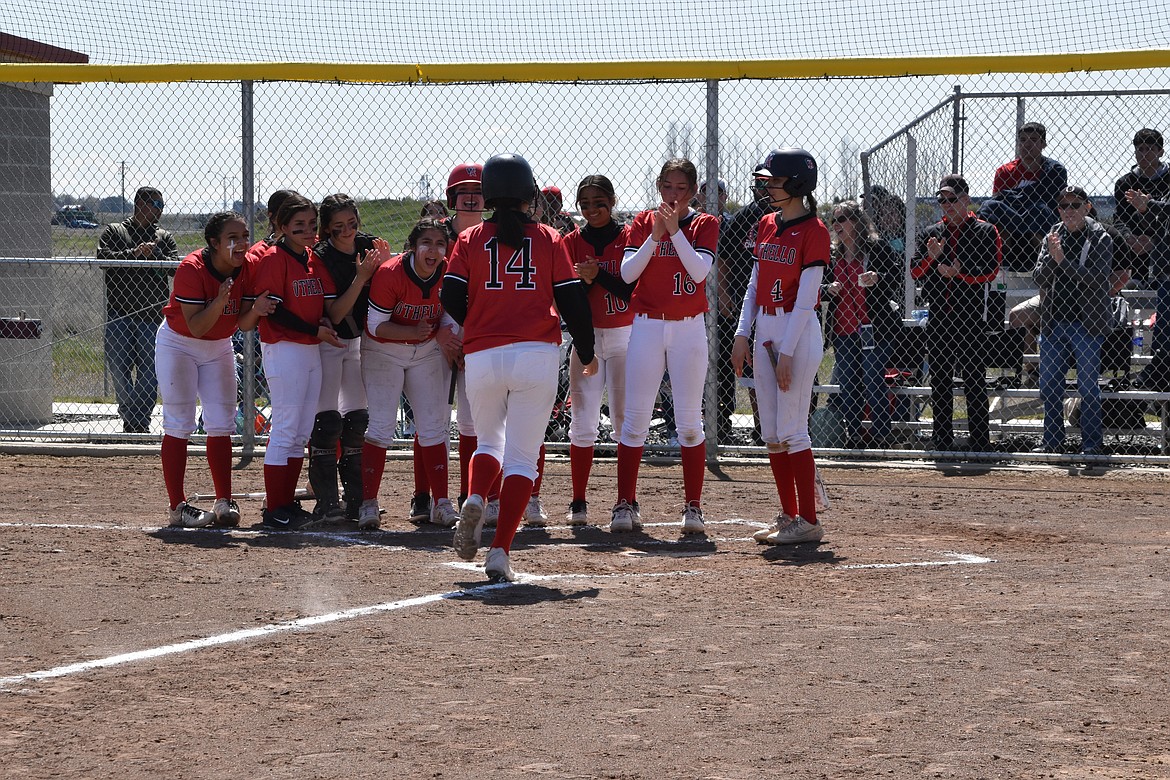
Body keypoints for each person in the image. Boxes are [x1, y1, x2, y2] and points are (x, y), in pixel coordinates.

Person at [442, 153, 596, 582]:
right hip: (536, 353)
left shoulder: (471, 237)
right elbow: (572, 302)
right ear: (529, 193)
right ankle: (499, 553)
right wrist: (587, 348)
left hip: (483, 353)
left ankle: (475, 496)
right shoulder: (548, 237)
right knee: (523, 460)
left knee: (488, 443)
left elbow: (450, 297)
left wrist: (479, 322)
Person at [611, 158, 719, 535]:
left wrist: (674, 232)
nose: (673, 195)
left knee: (689, 423)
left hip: (688, 329)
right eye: (668, 187)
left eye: (681, 189)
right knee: (636, 420)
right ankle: (625, 502)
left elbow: (699, 271)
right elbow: (627, 274)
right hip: (647, 326)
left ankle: (693, 506)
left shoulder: (704, 223)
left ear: (692, 192)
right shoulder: (643, 222)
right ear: (659, 186)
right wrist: (656, 235)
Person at [730, 148, 829, 545]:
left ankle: (808, 519)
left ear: (797, 184)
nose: (768, 185)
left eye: (775, 179)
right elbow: (754, 285)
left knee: (792, 429)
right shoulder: (767, 224)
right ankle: (790, 516)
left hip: (797, 330)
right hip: (767, 326)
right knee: (770, 431)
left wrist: (786, 352)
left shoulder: (815, 230)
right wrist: (741, 334)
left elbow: (806, 299)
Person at [156, 211, 274, 527]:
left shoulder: (246, 266)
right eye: (233, 239)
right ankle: (177, 507)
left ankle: (224, 501)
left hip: (219, 345)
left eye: (245, 236)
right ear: (214, 243)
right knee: (179, 423)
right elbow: (195, 326)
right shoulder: (192, 268)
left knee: (221, 422)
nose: (242, 244)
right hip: (179, 343)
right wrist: (220, 301)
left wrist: (257, 310)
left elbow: (244, 324)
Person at [247, 194, 343, 530]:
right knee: (286, 427)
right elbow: (277, 311)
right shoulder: (275, 258)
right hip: (284, 346)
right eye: (298, 225)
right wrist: (315, 328)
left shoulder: (311, 258)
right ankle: (275, 509)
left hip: (309, 347)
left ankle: (286, 503)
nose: (307, 230)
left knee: (301, 430)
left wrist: (322, 325)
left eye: (312, 224)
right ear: (282, 227)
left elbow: (315, 305)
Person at [359, 218, 459, 529]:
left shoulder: (448, 273)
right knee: (381, 426)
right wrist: (413, 331)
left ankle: (441, 503)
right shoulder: (391, 273)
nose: (433, 249)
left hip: (424, 350)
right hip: (383, 350)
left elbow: (450, 316)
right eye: (426, 243)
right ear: (412, 247)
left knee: (434, 426)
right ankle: (368, 503)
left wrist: (440, 334)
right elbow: (375, 326)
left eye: (440, 243)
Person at [308, 194, 386, 522]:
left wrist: (384, 263)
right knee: (327, 423)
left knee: (357, 422)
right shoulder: (322, 256)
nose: (347, 231)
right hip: (329, 341)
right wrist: (362, 277)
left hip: (358, 342)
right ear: (326, 229)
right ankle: (327, 502)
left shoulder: (368, 246)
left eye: (352, 224)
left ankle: (356, 500)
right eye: (338, 227)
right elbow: (336, 312)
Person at [911, 174, 1002, 455]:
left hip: (971, 317)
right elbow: (915, 271)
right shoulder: (931, 232)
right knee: (940, 381)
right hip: (939, 317)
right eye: (941, 200)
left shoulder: (985, 231)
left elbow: (991, 271)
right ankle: (942, 440)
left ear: (965, 199)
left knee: (975, 380)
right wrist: (932, 257)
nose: (946, 204)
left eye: (952, 199)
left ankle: (980, 442)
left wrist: (958, 273)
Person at [564, 175, 635, 525]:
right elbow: (566, 298)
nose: (592, 209)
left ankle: (626, 501)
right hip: (587, 339)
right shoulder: (570, 242)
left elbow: (632, 292)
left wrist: (598, 277)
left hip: (625, 336)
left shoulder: (629, 238)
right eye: (586, 203)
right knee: (583, 422)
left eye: (599, 202)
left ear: (613, 200)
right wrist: (583, 280)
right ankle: (578, 502)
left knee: (625, 422)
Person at [1032, 187, 1114, 457]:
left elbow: (1097, 280)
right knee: (1049, 386)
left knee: (1088, 387)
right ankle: (1053, 441)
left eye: (1075, 205)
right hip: (1054, 322)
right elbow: (1039, 278)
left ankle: (1091, 443)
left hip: (1086, 324)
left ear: (1087, 207)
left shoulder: (1100, 236)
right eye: (1064, 206)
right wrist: (1055, 261)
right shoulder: (1052, 236)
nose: (1069, 211)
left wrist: (1062, 261)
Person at [822, 200, 904, 448]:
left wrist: (878, 277)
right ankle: (854, 433)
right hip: (843, 330)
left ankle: (881, 435)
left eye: (843, 218)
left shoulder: (876, 249)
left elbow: (897, 276)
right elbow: (818, 286)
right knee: (848, 383)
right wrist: (828, 288)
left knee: (872, 380)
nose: (837, 224)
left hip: (875, 329)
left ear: (857, 222)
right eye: (834, 220)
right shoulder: (832, 255)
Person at [97, 186, 178, 433]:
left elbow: (175, 267)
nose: (160, 211)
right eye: (157, 205)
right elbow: (104, 260)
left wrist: (155, 255)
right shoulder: (115, 231)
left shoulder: (163, 237)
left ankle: (138, 422)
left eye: (162, 206)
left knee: (150, 370)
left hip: (152, 317)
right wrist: (134, 253)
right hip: (119, 313)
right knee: (118, 368)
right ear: (140, 204)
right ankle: (130, 414)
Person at [717, 170, 772, 444]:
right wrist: (726, 298)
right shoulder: (742, 219)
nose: (762, 190)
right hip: (742, 304)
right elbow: (723, 260)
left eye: (768, 184)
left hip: (778, 305)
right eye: (759, 184)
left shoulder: (787, 217)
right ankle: (762, 427)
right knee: (751, 369)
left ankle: (787, 426)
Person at [1116, 128, 1170, 379]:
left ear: (1160, 151)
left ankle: (1156, 366)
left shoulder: (1168, 178)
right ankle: (1122, 364)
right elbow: (1119, 219)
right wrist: (1129, 238)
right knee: (1128, 304)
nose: (1144, 153)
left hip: (1163, 254)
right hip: (1133, 256)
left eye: (1150, 148)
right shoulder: (1125, 183)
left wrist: (1152, 237)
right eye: (1140, 148)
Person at [978, 122, 1067, 271]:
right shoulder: (1005, 171)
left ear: (1043, 144)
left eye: (1033, 140)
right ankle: (999, 261)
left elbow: (1050, 201)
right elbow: (997, 204)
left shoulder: (1054, 170)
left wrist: (1009, 196)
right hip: (1011, 226)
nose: (1027, 145)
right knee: (990, 207)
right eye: (1023, 140)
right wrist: (1023, 196)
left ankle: (1045, 261)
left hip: (1038, 225)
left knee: (1040, 210)